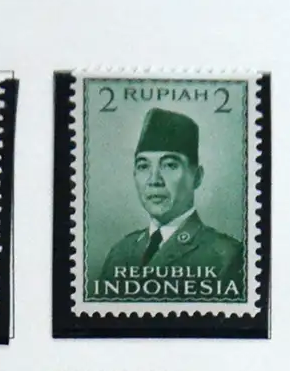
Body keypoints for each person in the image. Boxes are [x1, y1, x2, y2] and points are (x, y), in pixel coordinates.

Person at [95, 107, 244, 299]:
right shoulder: (121, 251)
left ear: (197, 177)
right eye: (143, 166)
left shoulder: (227, 256)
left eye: (170, 165)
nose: (154, 180)